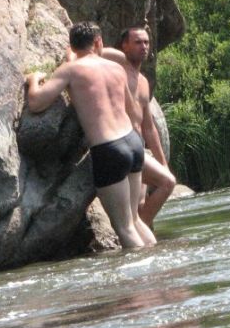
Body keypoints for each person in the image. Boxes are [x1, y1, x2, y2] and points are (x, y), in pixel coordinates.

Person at [24, 21, 156, 248]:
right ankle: (158, 260)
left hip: (109, 148)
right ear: (98, 42)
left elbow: (36, 103)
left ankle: (141, 271)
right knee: (134, 219)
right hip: (132, 142)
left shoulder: (70, 70)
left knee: (124, 227)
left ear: (73, 46)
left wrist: (33, 80)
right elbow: (132, 109)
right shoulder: (117, 68)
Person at [101, 26, 176, 229]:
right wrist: (118, 54)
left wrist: (163, 162)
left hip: (139, 150)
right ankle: (142, 233)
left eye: (146, 42)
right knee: (167, 183)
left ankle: (142, 234)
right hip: (121, 146)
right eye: (137, 42)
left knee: (142, 205)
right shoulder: (118, 68)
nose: (143, 46)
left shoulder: (143, 81)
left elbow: (149, 128)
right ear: (124, 45)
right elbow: (96, 53)